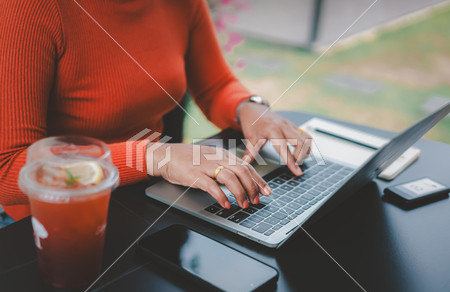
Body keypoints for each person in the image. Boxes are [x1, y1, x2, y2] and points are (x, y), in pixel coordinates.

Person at [0, 0, 311, 221]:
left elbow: (215, 85)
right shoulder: (27, 8)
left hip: (150, 195)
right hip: (51, 221)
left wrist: (250, 108)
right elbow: (7, 168)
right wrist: (154, 156)